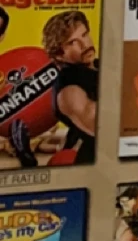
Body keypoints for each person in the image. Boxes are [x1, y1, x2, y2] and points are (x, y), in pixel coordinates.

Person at [11, 10, 98, 167]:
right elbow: (99, 125)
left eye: (85, 35)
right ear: (59, 55)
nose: (85, 45)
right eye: (73, 42)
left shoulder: (101, 65)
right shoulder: (69, 86)